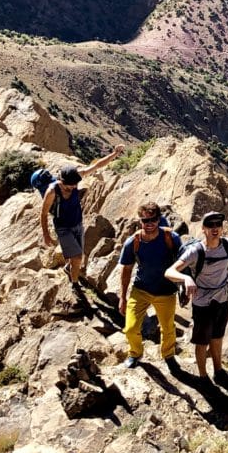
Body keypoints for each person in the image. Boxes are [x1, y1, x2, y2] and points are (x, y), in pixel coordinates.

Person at [165, 211, 228, 383]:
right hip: (202, 303)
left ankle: (219, 372)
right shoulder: (195, 251)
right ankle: (203, 377)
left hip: (223, 299)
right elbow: (169, 272)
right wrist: (186, 278)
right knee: (202, 342)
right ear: (203, 229)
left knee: (217, 337)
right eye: (210, 225)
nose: (215, 228)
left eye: (218, 225)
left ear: (222, 228)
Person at [40, 145, 124, 289]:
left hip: (77, 223)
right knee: (78, 257)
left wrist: (114, 154)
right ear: (61, 181)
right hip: (63, 227)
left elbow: (97, 165)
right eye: (69, 186)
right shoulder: (52, 192)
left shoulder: (75, 177)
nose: (72, 188)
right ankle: (75, 286)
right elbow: (43, 213)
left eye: (74, 185)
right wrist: (46, 234)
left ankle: (69, 268)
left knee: (78, 257)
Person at [118, 200, 182, 370]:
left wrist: (186, 284)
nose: (149, 224)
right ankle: (135, 353)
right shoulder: (133, 242)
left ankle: (168, 356)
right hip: (141, 289)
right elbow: (126, 270)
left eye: (152, 220)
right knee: (130, 328)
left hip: (166, 291)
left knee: (168, 328)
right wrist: (122, 297)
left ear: (159, 219)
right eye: (145, 221)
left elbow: (184, 262)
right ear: (140, 221)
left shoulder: (171, 238)